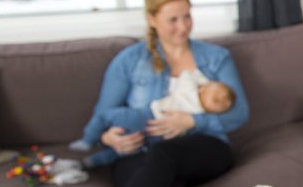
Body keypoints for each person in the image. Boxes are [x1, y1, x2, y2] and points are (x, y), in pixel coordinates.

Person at [83, 0, 249, 187]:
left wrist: (193, 122)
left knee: (163, 155)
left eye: (187, 17)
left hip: (204, 146)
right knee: (166, 185)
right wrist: (110, 139)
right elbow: (104, 113)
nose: (183, 27)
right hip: (139, 151)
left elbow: (240, 113)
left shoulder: (216, 58)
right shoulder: (129, 61)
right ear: (152, 19)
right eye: (173, 20)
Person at [72, 72, 236, 169]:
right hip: (148, 122)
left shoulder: (199, 107)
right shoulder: (191, 93)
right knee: (116, 137)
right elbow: (188, 76)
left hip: (155, 131)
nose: (221, 100)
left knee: (127, 149)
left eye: (222, 103)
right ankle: (90, 147)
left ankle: (90, 152)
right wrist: (105, 138)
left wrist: (193, 122)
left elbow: (237, 114)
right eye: (218, 96)